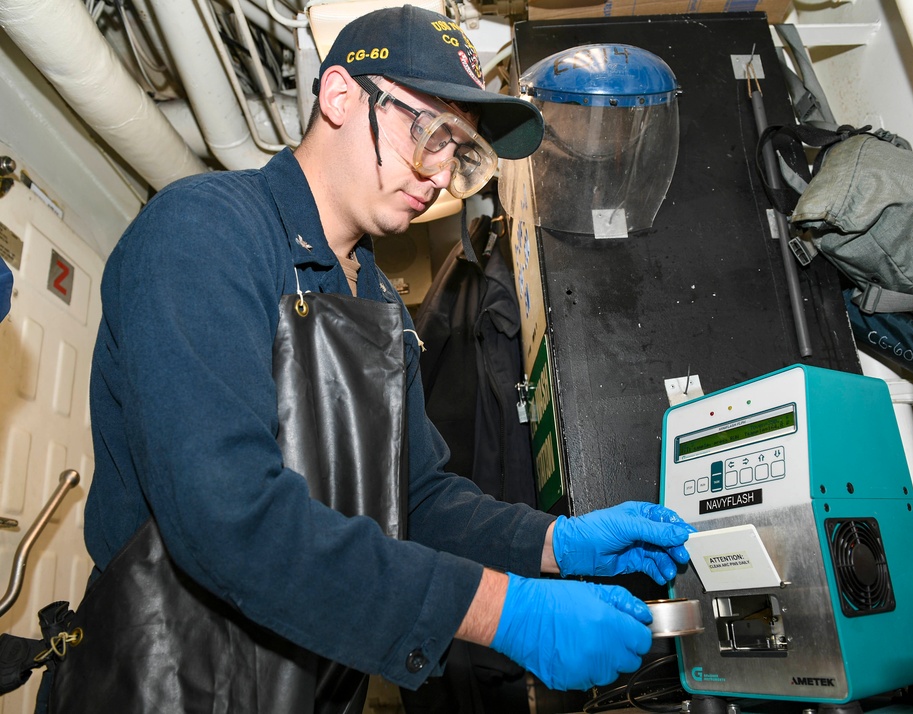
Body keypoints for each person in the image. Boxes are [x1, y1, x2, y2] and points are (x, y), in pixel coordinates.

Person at [63, 5, 696, 712]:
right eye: (429, 132)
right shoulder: (203, 231)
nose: (438, 172)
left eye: (459, 152)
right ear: (339, 96)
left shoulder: (381, 305)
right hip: (165, 684)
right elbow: (228, 515)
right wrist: (507, 612)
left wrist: (557, 545)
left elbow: (417, 499)